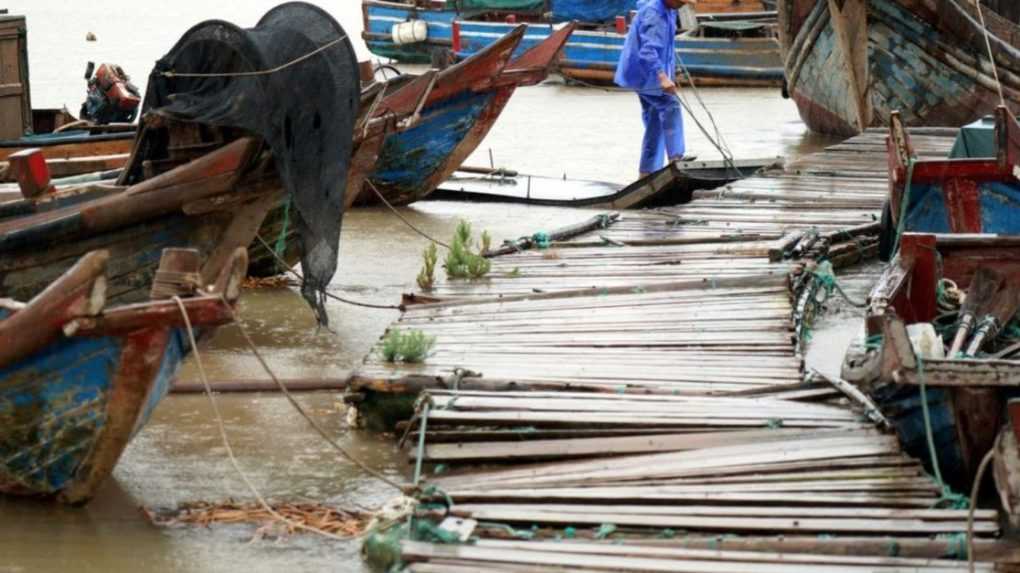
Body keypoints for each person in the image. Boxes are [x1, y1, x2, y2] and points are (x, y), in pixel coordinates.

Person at [615, 0, 697, 178]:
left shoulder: (670, 10)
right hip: (645, 73)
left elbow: (666, 46)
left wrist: (671, 72)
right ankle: (677, 157)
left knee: (655, 122)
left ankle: (647, 173)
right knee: (670, 106)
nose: (683, 5)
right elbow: (648, 51)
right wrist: (662, 77)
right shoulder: (655, 13)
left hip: (645, 72)